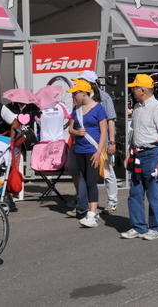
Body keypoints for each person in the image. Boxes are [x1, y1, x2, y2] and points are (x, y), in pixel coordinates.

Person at [121, 74, 158, 241]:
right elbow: (133, 132)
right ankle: (138, 226)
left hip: (152, 154)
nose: (132, 90)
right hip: (137, 153)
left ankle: (156, 228)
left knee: (153, 192)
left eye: (134, 88)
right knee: (135, 192)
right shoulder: (137, 107)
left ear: (142, 90)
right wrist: (129, 152)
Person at [74, 70, 119, 215]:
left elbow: (111, 120)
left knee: (107, 171)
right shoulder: (80, 97)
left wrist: (112, 141)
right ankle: (82, 204)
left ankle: (112, 202)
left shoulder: (104, 97)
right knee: (85, 174)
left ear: (90, 83)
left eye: (82, 80)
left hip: (100, 142)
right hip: (84, 143)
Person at [67, 79, 108, 228]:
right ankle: (89, 211)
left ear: (83, 93)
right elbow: (70, 129)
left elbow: (104, 131)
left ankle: (92, 213)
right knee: (83, 178)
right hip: (79, 149)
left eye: (75, 94)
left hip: (92, 149)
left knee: (91, 181)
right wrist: (76, 132)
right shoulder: (76, 110)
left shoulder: (99, 109)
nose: (73, 97)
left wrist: (99, 152)